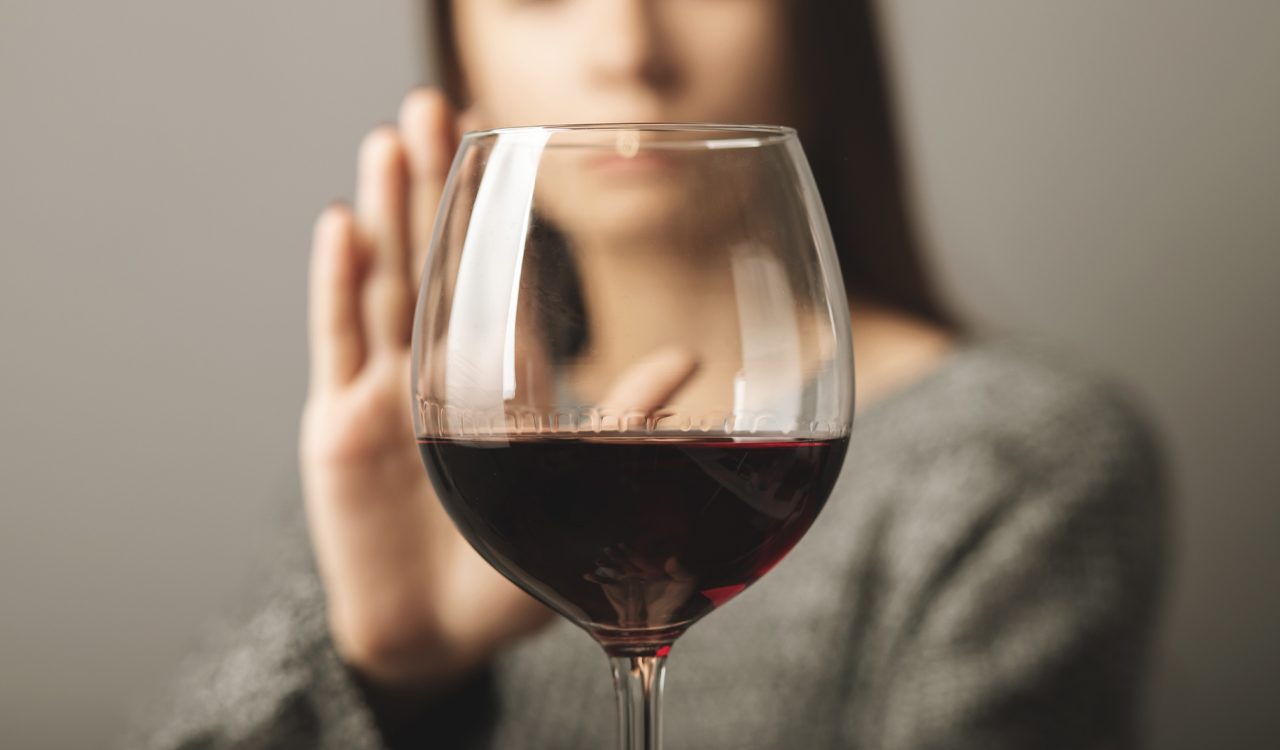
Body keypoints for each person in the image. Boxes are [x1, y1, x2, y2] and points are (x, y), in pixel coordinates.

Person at [135, 1, 1165, 748]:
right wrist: (385, 675)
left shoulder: (1012, 460)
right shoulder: (412, 466)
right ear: (461, 49)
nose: (629, 50)